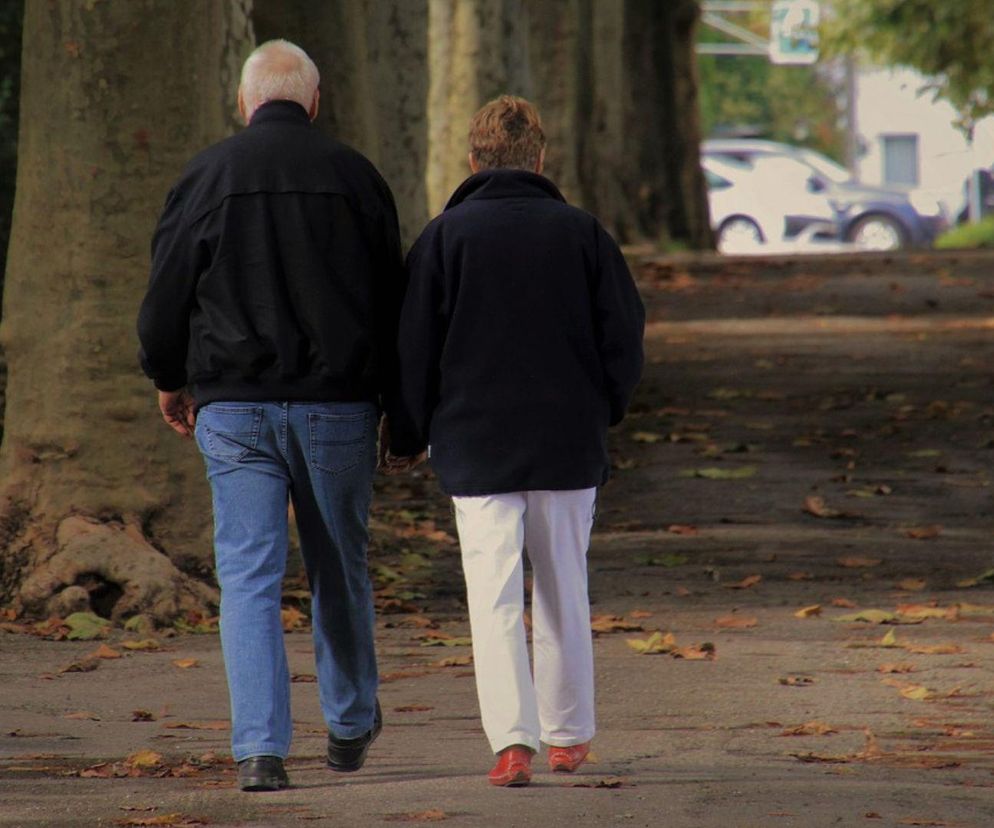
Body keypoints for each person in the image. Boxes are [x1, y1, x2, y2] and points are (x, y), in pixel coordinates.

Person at [137, 40, 404, 792]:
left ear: (245, 102)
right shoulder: (358, 179)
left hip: (234, 406)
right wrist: (402, 410)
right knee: (337, 567)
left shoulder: (207, 175)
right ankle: (350, 722)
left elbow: (165, 295)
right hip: (338, 408)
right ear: (315, 102)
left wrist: (169, 376)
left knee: (249, 576)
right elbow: (395, 305)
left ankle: (260, 749)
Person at [388, 95, 645, 787]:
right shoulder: (584, 234)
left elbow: (414, 349)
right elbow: (623, 336)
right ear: (540, 158)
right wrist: (606, 409)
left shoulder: (444, 239)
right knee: (564, 585)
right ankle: (569, 734)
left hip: (475, 444)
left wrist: (408, 432)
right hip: (566, 440)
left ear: (472, 161)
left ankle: (512, 741)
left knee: (493, 596)